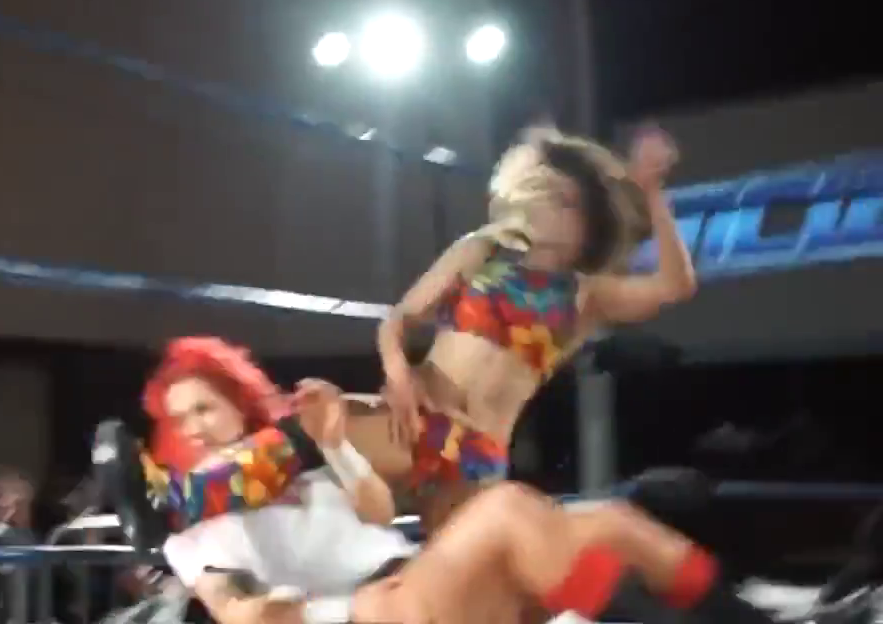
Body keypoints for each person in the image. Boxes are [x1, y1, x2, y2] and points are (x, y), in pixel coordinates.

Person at [95, 337, 785, 624]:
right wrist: (302, 610)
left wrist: (334, 445)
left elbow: (374, 513)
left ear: (238, 402)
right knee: (507, 511)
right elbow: (233, 610)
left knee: (610, 522)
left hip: (417, 584)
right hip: (368, 616)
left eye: (206, 407)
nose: (196, 427)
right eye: (180, 418)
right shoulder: (189, 523)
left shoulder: (290, 471)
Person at [347, 122, 697, 529]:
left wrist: (653, 196)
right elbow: (398, 320)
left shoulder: (586, 296)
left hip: (476, 456)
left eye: (567, 202)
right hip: (418, 419)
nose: (550, 206)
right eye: (549, 193)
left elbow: (675, 286)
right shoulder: (482, 249)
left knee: (449, 561)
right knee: (297, 439)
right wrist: (399, 376)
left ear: (590, 222)